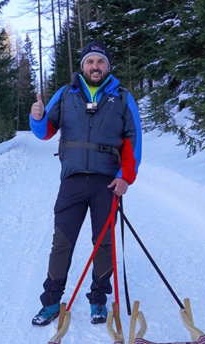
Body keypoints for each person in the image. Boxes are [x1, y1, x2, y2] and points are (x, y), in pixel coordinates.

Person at [29, 40, 142, 326]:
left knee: (103, 243)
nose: (95, 66)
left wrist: (125, 176)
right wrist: (37, 117)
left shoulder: (122, 97)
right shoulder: (66, 94)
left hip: (107, 182)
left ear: (107, 67)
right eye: (90, 61)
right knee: (62, 242)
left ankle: (98, 300)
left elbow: (133, 139)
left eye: (100, 61)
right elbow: (44, 132)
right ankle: (51, 302)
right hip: (73, 180)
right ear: (82, 66)